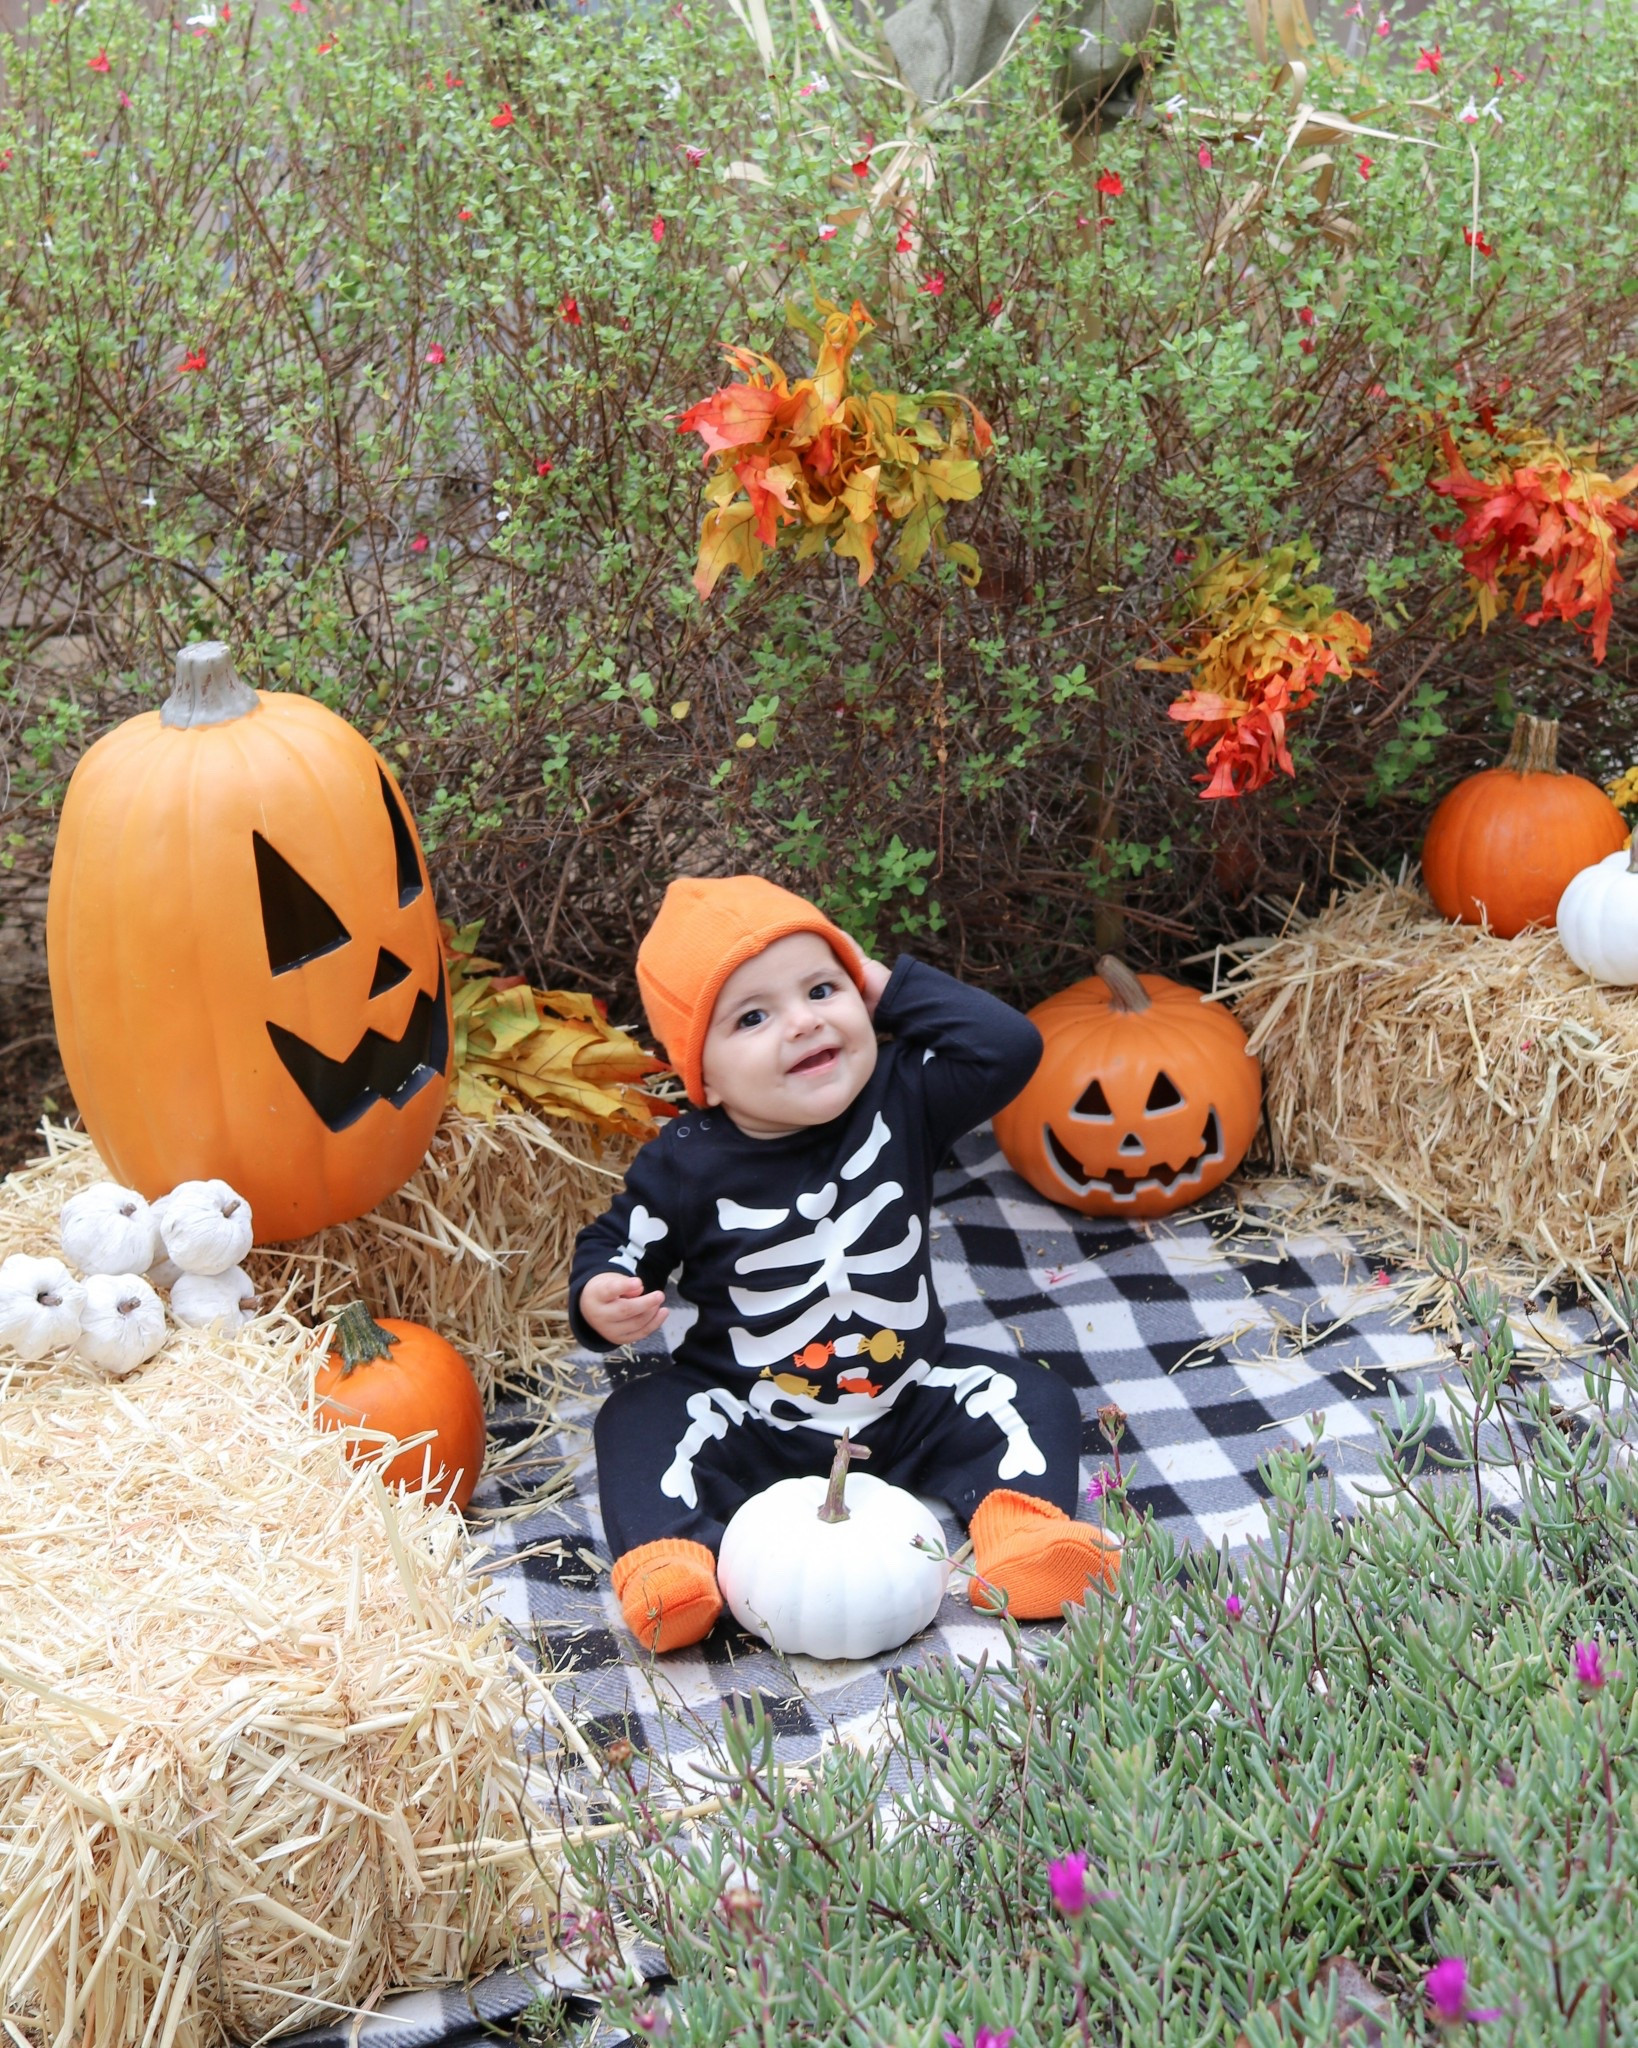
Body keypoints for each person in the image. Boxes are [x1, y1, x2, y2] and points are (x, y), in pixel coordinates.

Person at [569, 874, 1120, 1653]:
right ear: (703, 1076)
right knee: (635, 1418)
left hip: (904, 1395)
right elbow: (619, 1242)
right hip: (751, 1412)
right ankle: (672, 1567)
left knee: (1032, 1394)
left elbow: (1010, 1046)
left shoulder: (904, 1095)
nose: (802, 1023)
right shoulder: (686, 1161)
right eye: (753, 1016)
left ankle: (1022, 1538)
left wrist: (877, 984)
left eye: (822, 988)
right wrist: (601, 1295)